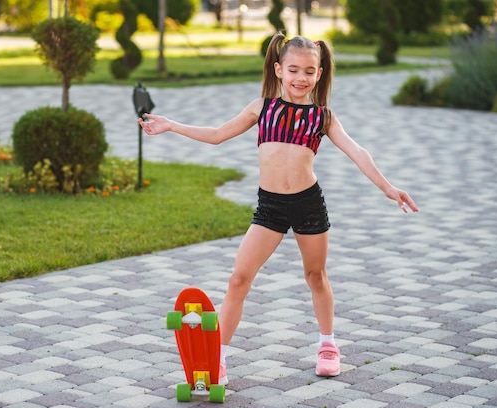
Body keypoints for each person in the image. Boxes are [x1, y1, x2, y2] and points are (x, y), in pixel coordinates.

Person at [138, 33, 419, 382]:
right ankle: (218, 358)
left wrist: (389, 188)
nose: (301, 78)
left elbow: (358, 152)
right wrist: (171, 125)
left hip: (308, 204)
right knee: (239, 278)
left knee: (316, 276)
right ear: (278, 69)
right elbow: (216, 134)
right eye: (294, 70)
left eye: (310, 71)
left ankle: (328, 344)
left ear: (320, 73)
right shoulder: (262, 108)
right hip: (269, 207)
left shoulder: (323, 117)